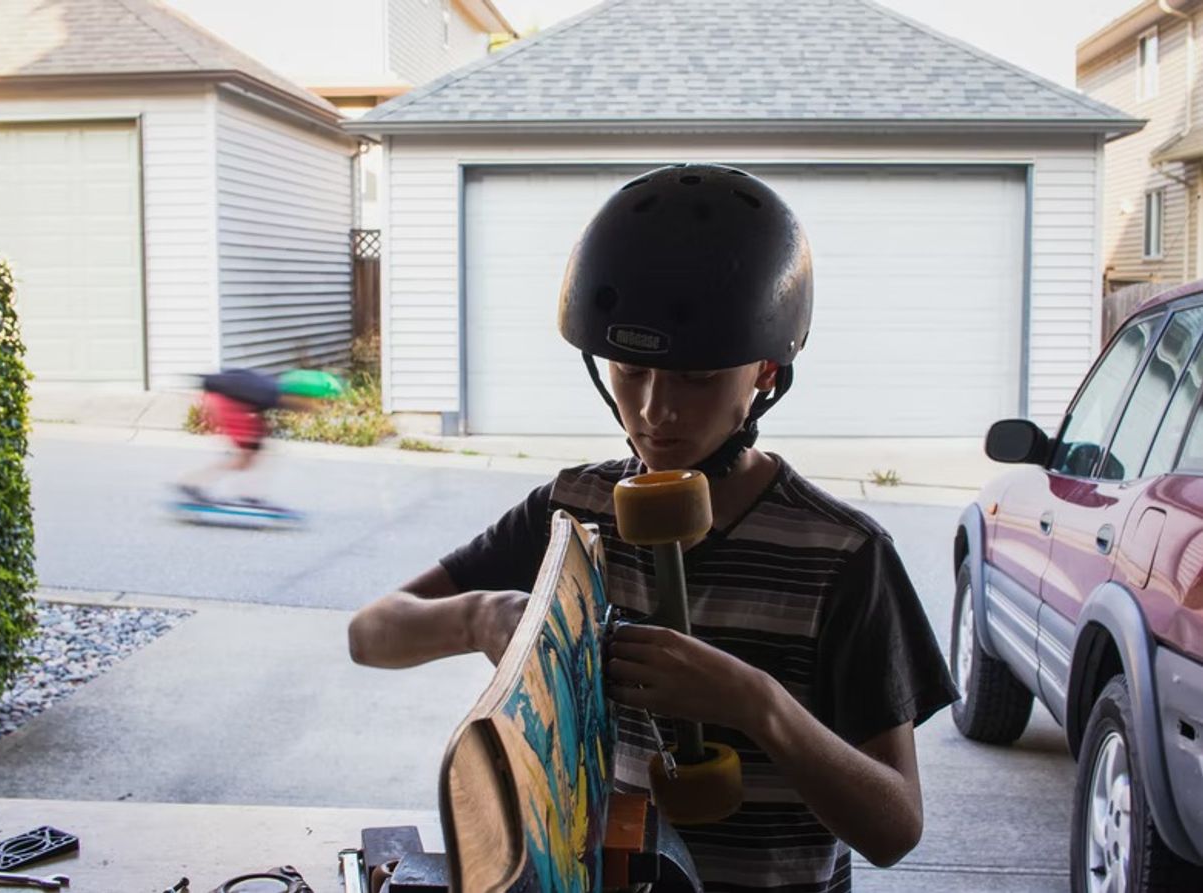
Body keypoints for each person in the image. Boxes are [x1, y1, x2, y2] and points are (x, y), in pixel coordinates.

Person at [347, 164, 958, 892]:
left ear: (765, 370)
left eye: (696, 378)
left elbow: (896, 826)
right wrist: (482, 617)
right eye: (629, 371)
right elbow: (371, 632)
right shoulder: (574, 512)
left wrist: (756, 703)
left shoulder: (844, 556)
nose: (655, 411)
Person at [176, 367, 339, 508]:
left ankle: (248, 494)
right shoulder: (267, 393)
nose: (316, 407)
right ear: (301, 395)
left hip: (230, 401)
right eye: (316, 401)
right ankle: (192, 484)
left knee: (256, 451)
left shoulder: (274, 393)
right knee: (246, 456)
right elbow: (230, 384)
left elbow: (237, 376)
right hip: (224, 402)